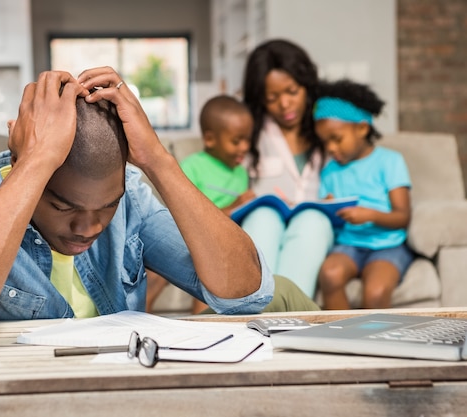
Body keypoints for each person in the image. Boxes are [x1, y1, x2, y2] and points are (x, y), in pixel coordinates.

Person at [0, 67, 278, 354]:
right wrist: (36, 162)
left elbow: (245, 296)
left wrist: (157, 161)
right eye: (61, 204)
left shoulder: (134, 204)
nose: (88, 227)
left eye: (107, 207)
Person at [239, 39, 333, 299]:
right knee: (263, 218)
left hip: (314, 220)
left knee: (312, 221)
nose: (285, 105)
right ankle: (257, 308)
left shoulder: (328, 127)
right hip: (266, 218)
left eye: (292, 92)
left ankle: (291, 318)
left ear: (307, 86)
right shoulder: (249, 130)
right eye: (272, 98)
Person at [147, 95, 256, 314]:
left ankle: (204, 325)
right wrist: (236, 204)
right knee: (156, 273)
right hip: (188, 235)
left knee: (214, 274)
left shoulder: (241, 173)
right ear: (210, 139)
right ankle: (137, 319)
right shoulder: (192, 166)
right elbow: (187, 214)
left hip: (224, 242)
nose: (244, 147)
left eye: (247, 140)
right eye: (236, 141)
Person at [314, 79, 415, 310]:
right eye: (325, 142)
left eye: (336, 139)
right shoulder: (330, 171)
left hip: (388, 245)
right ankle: (339, 340)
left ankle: (372, 345)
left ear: (362, 128)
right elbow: (331, 222)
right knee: (330, 275)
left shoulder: (390, 161)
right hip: (348, 244)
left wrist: (370, 215)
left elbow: (402, 217)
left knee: (376, 291)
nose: (330, 148)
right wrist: (327, 209)